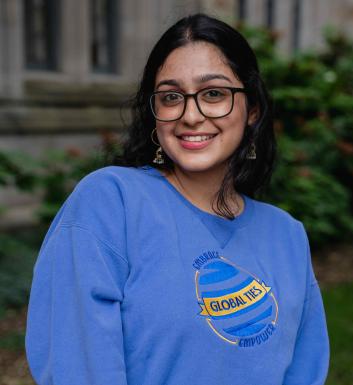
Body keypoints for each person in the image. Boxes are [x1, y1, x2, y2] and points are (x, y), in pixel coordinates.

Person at [25, 13, 329, 385]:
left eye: (214, 94)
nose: (190, 115)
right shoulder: (110, 203)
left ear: (252, 110)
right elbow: (78, 367)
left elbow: (304, 373)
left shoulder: (287, 235)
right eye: (171, 97)